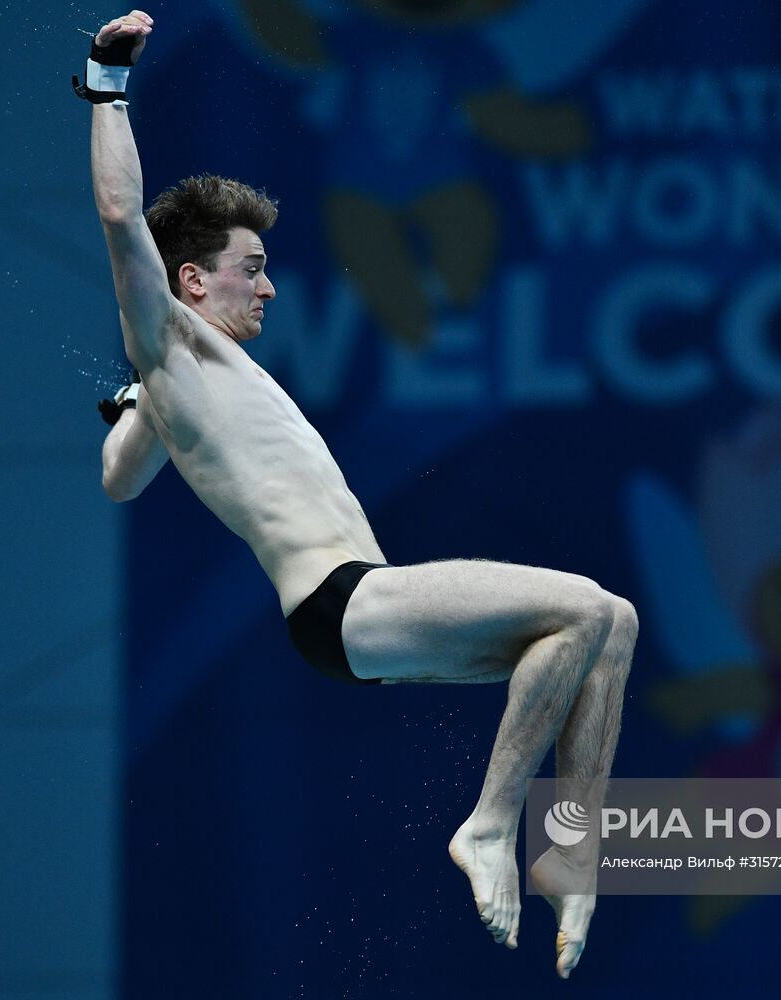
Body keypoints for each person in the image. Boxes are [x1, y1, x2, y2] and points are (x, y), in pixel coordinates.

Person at [82, 10, 635, 979]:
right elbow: (122, 218)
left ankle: (576, 859)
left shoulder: (178, 382)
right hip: (344, 601)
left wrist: (136, 406)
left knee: (612, 621)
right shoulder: (170, 337)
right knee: (579, 603)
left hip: (357, 619)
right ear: (188, 280)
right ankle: (490, 824)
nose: (270, 290)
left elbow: (118, 481)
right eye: (250, 271)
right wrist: (107, 83)